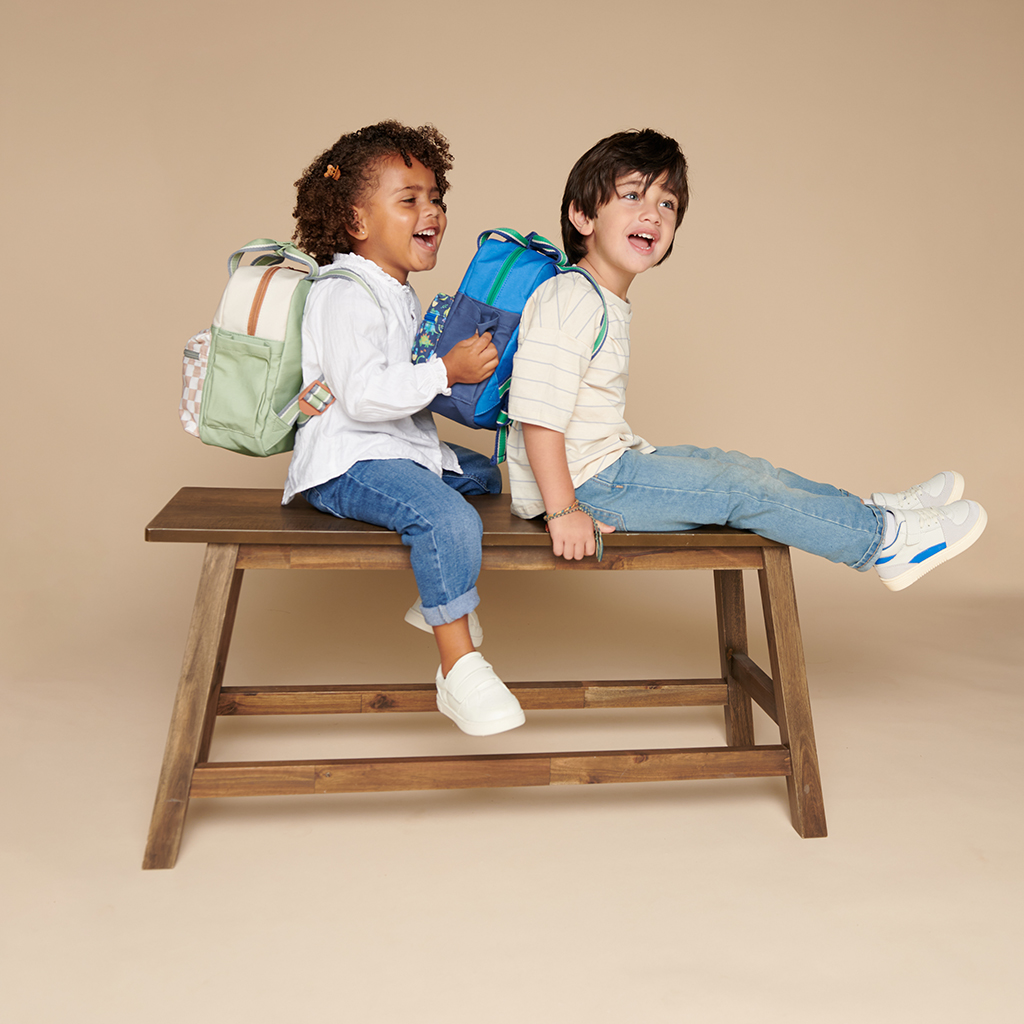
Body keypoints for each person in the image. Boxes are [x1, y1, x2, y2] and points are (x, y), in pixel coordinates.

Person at [506, 129, 987, 590]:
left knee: (738, 467)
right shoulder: (569, 296)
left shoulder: (598, 296)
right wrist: (563, 509)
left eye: (667, 203)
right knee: (739, 490)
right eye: (633, 196)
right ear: (582, 216)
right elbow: (538, 414)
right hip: (586, 488)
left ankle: (866, 511)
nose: (652, 214)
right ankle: (884, 542)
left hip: (607, 468)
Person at [284, 121, 524, 736]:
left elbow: (404, 388)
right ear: (357, 222)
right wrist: (445, 369)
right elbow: (363, 398)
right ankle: (458, 664)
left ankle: (435, 593)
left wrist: (466, 375)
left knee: (484, 475)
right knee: (447, 517)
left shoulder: (396, 291)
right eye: (410, 199)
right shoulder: (343, 292)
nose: (432, 212)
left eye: (436, 198)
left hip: (394, 450)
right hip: (349, 461)